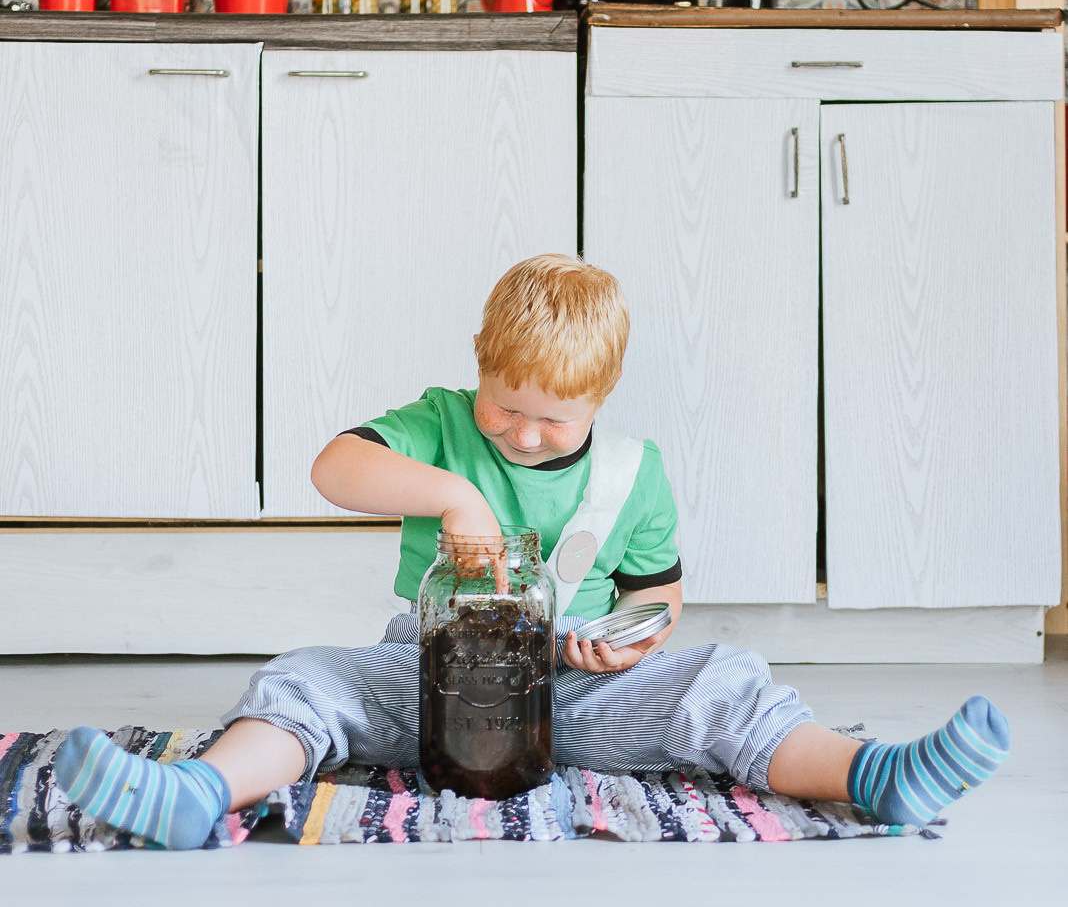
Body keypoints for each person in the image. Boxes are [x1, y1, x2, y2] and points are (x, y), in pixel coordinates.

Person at [54, 255, 1010, 850]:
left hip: (577, 687)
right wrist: (453, 495)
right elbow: (333, 468)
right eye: (505, 407)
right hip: (429, 677)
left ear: (603, 395)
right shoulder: (438, 425)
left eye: (554, 419)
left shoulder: (635, 473)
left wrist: (629, 641)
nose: (522, 434)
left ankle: (874, 779)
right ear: (479, 363)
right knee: (306, 679)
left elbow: (659, 596)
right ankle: (198, 795)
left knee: (725, 681)